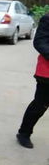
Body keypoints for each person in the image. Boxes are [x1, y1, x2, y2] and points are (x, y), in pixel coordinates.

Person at [16, 13, 49, 149]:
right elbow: (40, 42)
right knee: (40, 105)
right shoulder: (48, 19)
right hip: (47, 72)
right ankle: (24, 133)